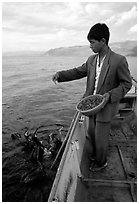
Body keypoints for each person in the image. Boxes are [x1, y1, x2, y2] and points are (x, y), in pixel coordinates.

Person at [52, 23, 132, 171]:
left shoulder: (118, 60)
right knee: (91, 133)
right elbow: (77, 72)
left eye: (92, 42)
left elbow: (126, 84)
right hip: (91, 106)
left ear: (103, 41)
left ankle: (102, 162)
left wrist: (110, 96)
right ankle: (96, 155)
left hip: (106, 106)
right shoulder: (91, 60)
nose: (90, 46)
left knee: (101, 138)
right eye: (90, 43)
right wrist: (61, 75)